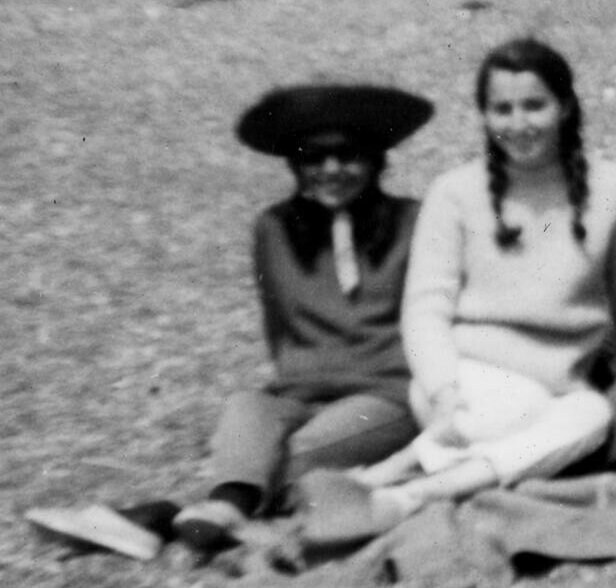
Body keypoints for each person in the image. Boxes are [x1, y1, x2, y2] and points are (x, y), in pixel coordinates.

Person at [318, 38, 616, 541]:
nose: (519, 124)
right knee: (523, 412)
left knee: (594, 416)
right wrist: (444, 392)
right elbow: (425, 309)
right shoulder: (454, 192)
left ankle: (412, 487)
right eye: (502, 109)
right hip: (461, 387)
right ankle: (413, 471)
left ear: (565, 106)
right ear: (484, 115)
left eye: (534, 105)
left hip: (557, 388)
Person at [168, 83, 435, 553]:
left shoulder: (414, 222)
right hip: (300, 392)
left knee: (295, 454)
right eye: (313, 158)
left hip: (385, 394)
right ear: (295, 165)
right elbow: (278, 322)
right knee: (245, 407)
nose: (331, 170)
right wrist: (297, 381)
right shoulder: (273, 228)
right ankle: (231, 508)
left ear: (376, 160)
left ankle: (202, 509)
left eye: (348, 155)